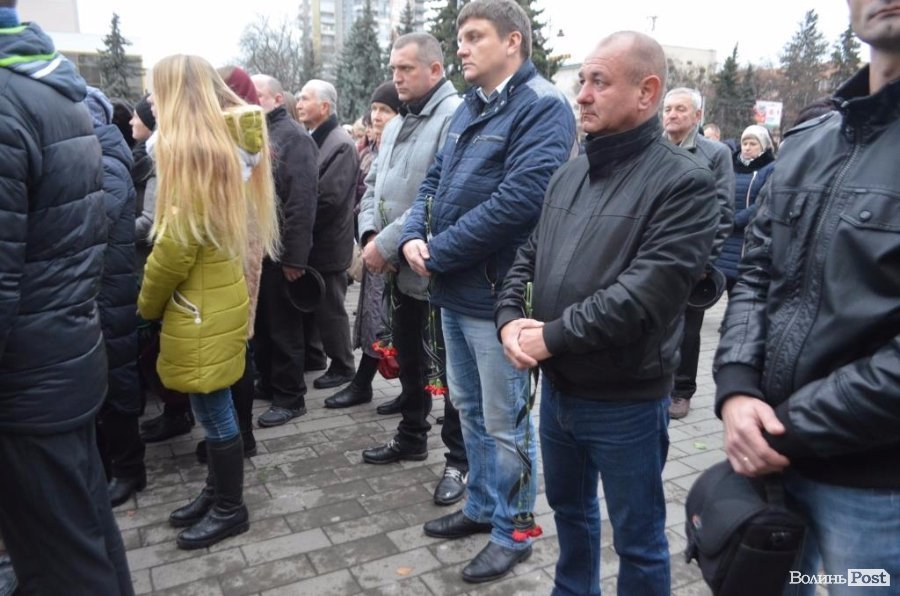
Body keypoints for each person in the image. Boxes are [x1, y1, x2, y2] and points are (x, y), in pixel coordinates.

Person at [496, 32, 718, 596]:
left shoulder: (684, 182)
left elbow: (643, 297)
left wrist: (549, 337)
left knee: (637, 538)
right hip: (560, 393)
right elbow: (528, 256)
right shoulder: (570, 172)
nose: (583, 94)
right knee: (570, 514)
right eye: (582, 82)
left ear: (647, 92)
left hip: (626, 401)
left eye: (599, 81)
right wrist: (509, 318)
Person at [713, 0, 900, 591]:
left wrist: (785, 427)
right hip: (771, 467)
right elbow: (756, 272)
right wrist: (736, 387)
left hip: (877, 493)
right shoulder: (812, 139)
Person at [400, 0, 576, 583]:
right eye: (460, 38)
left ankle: (514, 529)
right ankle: (481, 507)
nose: (462, 48)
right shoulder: (471, 106)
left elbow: (521, 201)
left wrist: (438, 251)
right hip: (454, 291)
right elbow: (434, 180)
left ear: (513, 41)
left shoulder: (542, 105)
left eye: (475, 36)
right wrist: (414, 234)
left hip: (498, 297)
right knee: (469, 410)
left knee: (506, 422)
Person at [0, 2, 134, 592]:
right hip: (60, 356)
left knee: (62, 564)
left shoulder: (10, 100)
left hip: (28, 378)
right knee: (85, 538)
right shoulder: (50, 92)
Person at [138, 54, 280, 549]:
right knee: (209, 401)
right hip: (213, 293)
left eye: (156, 93)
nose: (151, 103)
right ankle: (216, 491)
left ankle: (229, 507)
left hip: (198, 300)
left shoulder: (192, 154)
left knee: (215, 409)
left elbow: (174, 247)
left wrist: (146, 304)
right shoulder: (217, 147)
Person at [352, 34, 471, 507]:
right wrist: (369, 235)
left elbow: (441, 196)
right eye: (393, 68)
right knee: (408, 356)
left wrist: (385, 243)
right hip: (396, 267)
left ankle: (459, 460)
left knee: (453, 372)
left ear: (435, 70)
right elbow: (373, 184)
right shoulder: (400, 120)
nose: (396, 77)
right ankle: (411, 434)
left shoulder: (455, 116)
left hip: (436, 267)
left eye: (405, 68)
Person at [83, 86, 148, 508]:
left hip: (109, 291)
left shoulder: (107, 163)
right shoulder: (96, 156)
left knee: (117, 379)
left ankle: (128, 469)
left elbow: (91, 226)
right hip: (98, 290)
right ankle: (110, 465)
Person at [250, 74, 320, 428]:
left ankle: (291, 396)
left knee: (283, 327)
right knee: (264, 325)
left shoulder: (293, 137)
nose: (250, 99)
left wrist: (295, 258)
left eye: (257, 94)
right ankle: (270, 382)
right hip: (261, 251)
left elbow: (301, 203)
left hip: (281, 254)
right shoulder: (259, 133)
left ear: (277, 99)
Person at [325, 81, 400, 412]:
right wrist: (369, 233)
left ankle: (413, 394)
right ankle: (368, 383)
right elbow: (368, 192)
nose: (377, 116)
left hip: (397, 249)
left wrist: (383, 240)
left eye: (385, 110)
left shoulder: (398, 145)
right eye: (375, 109)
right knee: (375, 318)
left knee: (389, 322)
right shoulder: (378, 148)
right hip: (374, 244)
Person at [662, 87, 735, 420]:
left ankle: (682, 391)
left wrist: (705, 262)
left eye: (680, 109)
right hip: (653, 253)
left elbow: (723, 211)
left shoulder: (715, 153)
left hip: (691, 258)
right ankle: (656, 384)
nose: (672, 114)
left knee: (688, 331)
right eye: (668, 109)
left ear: (697, 115)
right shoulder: (655, 148)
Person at [294, 79, 360, 393]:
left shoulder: (340, 143)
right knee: (317, 303)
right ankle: (317, 355)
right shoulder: (317, 138)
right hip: (314, 240)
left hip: (329, 242)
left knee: (331, 307)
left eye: (305, 98)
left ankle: (344, 365)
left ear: (324, 106)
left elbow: (329, 199)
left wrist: (299, 219)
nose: (299, 104)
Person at [714, 124, 775, 294]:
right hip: (725, 235)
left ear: (764, 146)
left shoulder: (770, 168)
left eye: (753, 144)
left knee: (740, 292)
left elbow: (765, 201)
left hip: (749, 236)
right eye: (744, 143)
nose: (747, 148)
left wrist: (737, 220)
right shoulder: (731, 165)